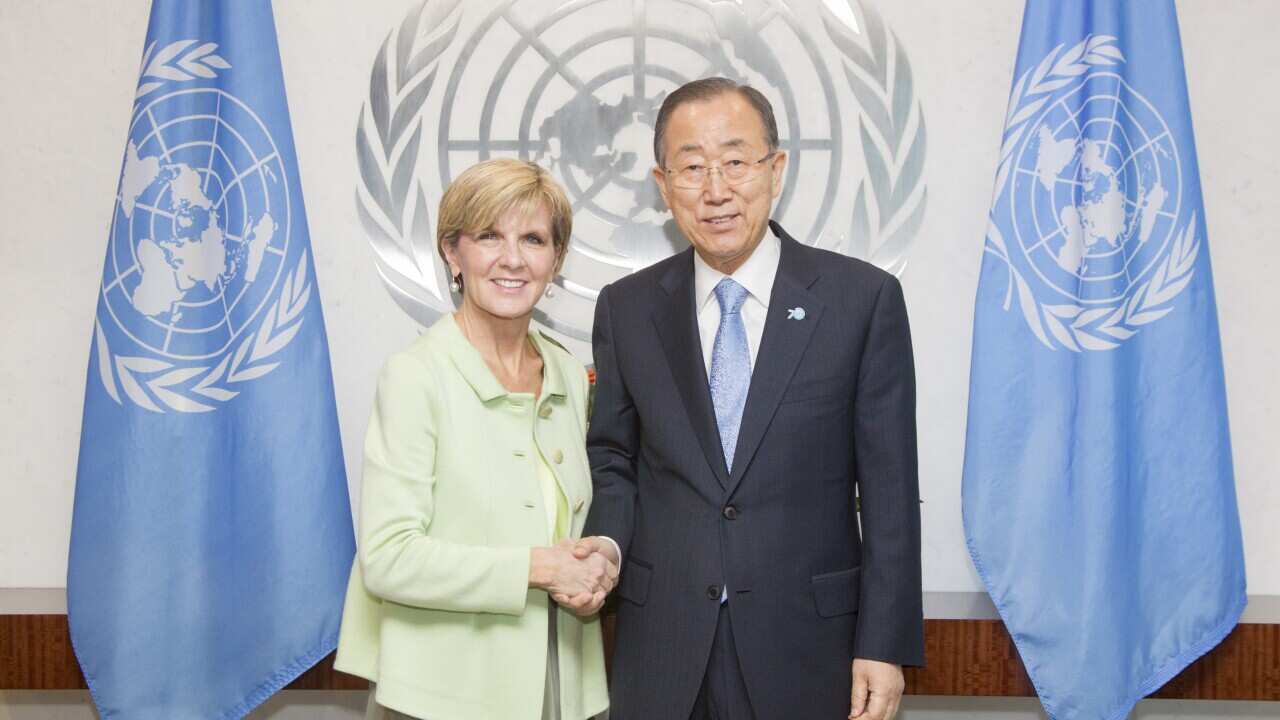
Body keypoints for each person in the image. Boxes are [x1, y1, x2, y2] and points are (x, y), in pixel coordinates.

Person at [570, 78, 925, 720]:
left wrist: (884, 643)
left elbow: (891, 489)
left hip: (813, 648)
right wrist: (608, 546)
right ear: (662, 183)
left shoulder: (860, 301)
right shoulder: (626, 310)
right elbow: (613, 462)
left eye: (735, 162)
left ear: (775, 169)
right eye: (692, 167)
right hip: (664, 645)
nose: (715, 191)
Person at [334, 158, 613, 720]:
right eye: (489, 236)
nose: (512, 258)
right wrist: (538, 568)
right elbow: (387, 558)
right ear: (451, 252)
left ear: (555, 260)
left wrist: (600, 560)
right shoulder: (417, 375)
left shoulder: (567, 374)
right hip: (441, 697)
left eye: (533, 239)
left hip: (563, 690)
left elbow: (581, 520)